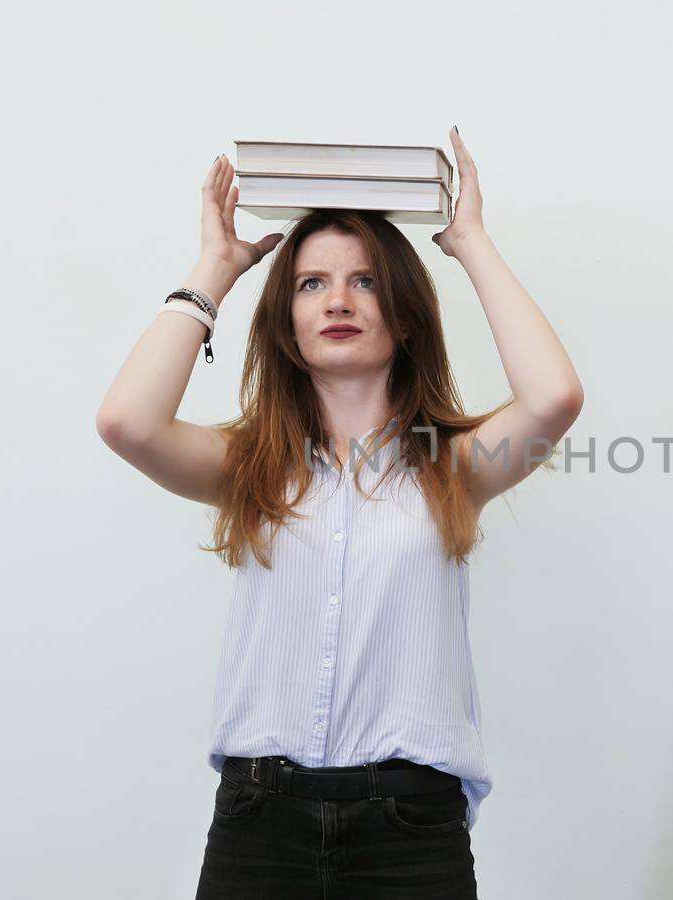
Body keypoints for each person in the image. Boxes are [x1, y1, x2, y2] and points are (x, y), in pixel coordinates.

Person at [95, 128, 583, 898]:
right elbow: (127, 422)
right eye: (312, 284)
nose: (340, 301)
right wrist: (214, 271)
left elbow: (554, 397)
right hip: (261, 824)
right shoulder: (251, 469)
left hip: (412, 832)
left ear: (407, 313)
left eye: (364, 281)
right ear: (286, 324)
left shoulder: (452, 467)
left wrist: (470, 241)